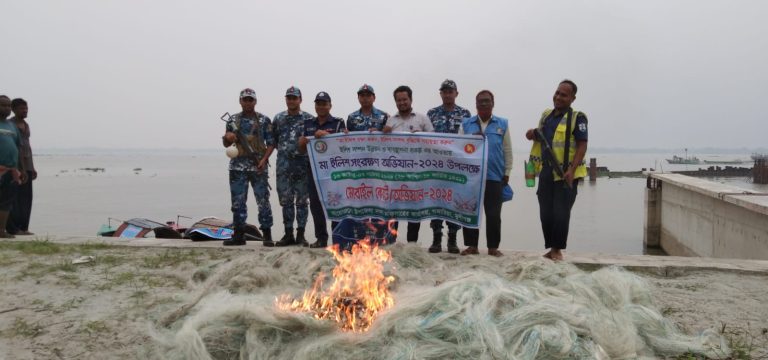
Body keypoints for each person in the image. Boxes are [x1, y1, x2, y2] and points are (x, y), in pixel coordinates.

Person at [525, 80, 588, 261]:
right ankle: (551, 247)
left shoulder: (578, 118)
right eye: (557, 93)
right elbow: (541, 136)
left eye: (564, 95)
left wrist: (572, 169)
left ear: (572, 98)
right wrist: (532, 133)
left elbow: (582, 145)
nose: (558, 97)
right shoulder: (546, 115)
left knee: (561, 213)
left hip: (566, 174)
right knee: (546, 212)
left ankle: (557, 250)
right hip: (546, 171)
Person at [459, 90, 512, 257]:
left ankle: (493, 247)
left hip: (495, 176)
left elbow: (507, 150)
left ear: (493, 103)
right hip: (471, 177)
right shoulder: (466, 124)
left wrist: (507, 171)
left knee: (494, 214)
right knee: (470, 211)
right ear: (475, 104)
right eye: (480, 101)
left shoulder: (502, 124)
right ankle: (472, 246)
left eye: (487, 101)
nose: (483, 104)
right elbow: (458, 148)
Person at [221, 88, 275, 246]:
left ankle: (267, 235)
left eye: (250, 100)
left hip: (258, 166)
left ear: (255, 101)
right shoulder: (232, 121)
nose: (248, 102)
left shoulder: (264, 120)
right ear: (240, 101)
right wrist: (228, 137)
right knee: (238, 202)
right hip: (237, 167)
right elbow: (226, 143)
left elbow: (271, 143)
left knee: (263, 201)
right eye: (245, 100)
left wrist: (264, 159)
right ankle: (238, 235)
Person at [382, 85, 434, 243]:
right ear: (395, 102)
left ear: (411, 99)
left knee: (414, 209)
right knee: (392, 208)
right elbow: (382, 146)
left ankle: (412, 244)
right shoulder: (390, 120)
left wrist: (421, 137)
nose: (402, 102)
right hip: (395, 173)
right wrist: (383, 133)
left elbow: (434, 141)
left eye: (405, 99)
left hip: (416, 173)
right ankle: (391, 242)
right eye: (399, 100)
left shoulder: (422, 119)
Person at [426, 79, 471, 253]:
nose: (447, 94)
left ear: (456, 93)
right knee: (437, 199)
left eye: (450, 91)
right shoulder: (432, 113)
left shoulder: (465, 113)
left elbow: (469, 138)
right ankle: (436, 238)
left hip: (456, 166)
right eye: (444, 91)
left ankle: (453, 239)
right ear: (441, 94)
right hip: (436, 166)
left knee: (454, 200)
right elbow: (426, 136)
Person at [298, 91, 345, 248]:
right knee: (316, 205)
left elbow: (344, 145)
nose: (321, 106)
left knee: (336, 203)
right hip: (314, 171)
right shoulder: (307, 124)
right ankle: (321, 238)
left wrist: (326, 136)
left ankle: (337, 239)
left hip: (334, 172)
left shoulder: (339, 123)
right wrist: (303, 141)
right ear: (315, 106)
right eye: (318, 103)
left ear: (330, 105)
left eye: (324, 103)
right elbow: (301, 149)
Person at [270, 86, 314, 246]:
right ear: (286, 100)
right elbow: (273, 141)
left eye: (294, 98)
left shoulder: (309, 119)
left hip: (303, 166)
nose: (291, 101)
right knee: (286, 201)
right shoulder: (278, 118)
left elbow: (315, 142)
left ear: (300, 100)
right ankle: (288, 234)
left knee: (302, 202)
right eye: (289, 98)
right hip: (283, 167)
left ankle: (300, 235)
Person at [6, 98, 36, 236]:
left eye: (26, 108)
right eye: (22, 108)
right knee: (14, 198)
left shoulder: (26, 125)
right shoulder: (10, 125)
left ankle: (24, 227)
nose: (25, 111)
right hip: (15, 166)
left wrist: (32, 167)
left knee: (27, 198)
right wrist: (20, 168)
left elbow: (27, 147)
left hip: (27, 166)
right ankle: (13, 227)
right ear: (13, 110)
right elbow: (15, 147)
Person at [0, 95, 23, 239]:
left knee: (6, 202)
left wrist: (22, 169)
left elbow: (18, 148)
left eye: (8, 106)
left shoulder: (12, 126)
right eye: (3, 105)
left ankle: (1, 230)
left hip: (11, 170)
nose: (7, 108)